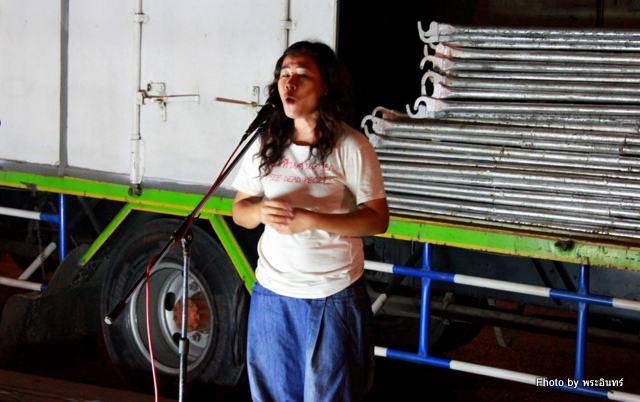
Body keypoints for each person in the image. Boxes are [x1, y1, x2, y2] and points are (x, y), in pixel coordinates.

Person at [231, 40, 389, 401]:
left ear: (326, 85)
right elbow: (240, 212)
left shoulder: (351, 145)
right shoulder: (265, 142)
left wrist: (312, 219)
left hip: (332, 295)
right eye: (284, 74)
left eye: (302, 74)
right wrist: (259, 212)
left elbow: (377, 219)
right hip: (272, 294)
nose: (290, 82)